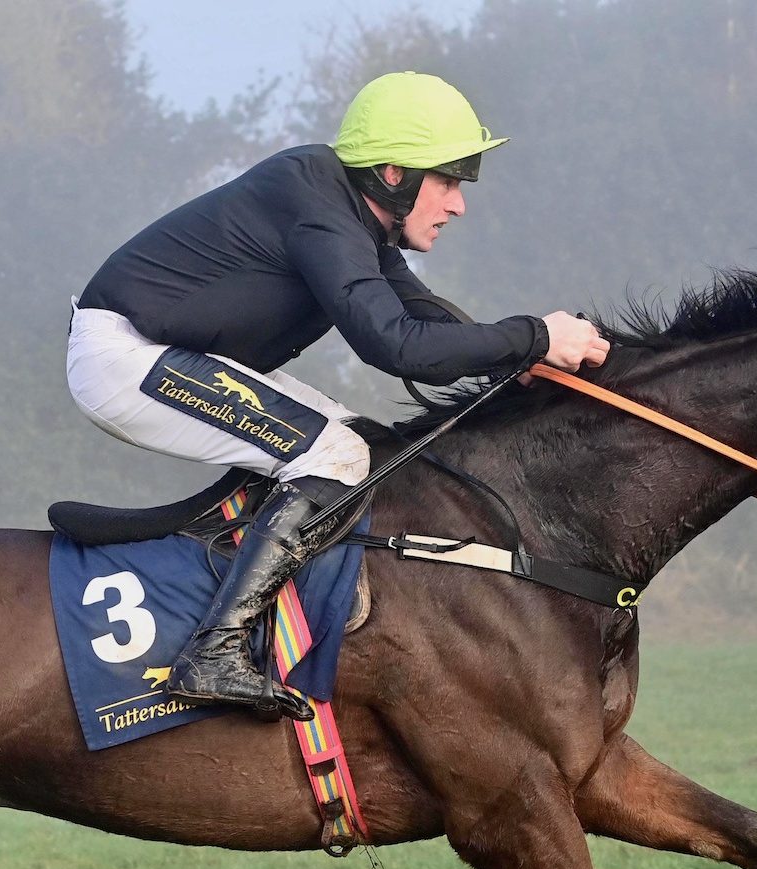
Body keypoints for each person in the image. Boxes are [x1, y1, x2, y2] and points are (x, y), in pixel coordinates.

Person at [68, 71, 609, 720]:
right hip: (125, 355)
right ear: (391, 174)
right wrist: (534, 334)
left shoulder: (351, 214)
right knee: (335, 458)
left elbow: (426, 315)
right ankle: (214, 650)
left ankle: (257, 600)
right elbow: (399, 346)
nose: (459, 204)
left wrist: (523, 359)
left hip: (170, 351)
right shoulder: (318, 207)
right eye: (448, 180)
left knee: (364, 445)